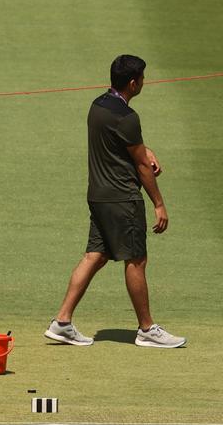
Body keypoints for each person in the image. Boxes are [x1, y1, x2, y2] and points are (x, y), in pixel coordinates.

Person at [45, 55, 184, 348]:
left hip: (98, 196)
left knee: (95, 255)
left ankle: (62, 322)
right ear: (133, 83)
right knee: (136, 259)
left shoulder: (98, 106)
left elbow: (125, 145)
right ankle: (147, 329)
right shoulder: (127, 117)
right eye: (143, 78)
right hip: (123, 198)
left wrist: (147, 151)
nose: (144, 82)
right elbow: (142, 166)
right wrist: (159, 202)